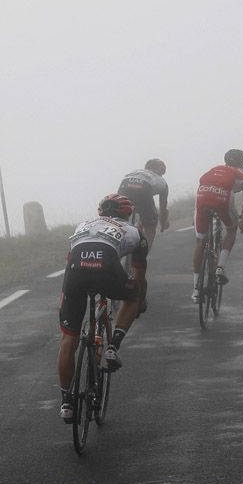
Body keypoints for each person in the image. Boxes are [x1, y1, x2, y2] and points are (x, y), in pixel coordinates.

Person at [57, 194, 148, 422]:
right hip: (106, 268)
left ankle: (66, 401)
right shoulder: (135, 232)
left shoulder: (82, 225)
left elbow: (70, 260)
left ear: (100, 212)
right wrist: (139, 300)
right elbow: (139, 275)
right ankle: (113, 346)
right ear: (128, 213)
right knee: (133, 296)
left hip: (76, 271)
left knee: (68, 339)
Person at [192, 149, 243, 300]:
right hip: (222, 197)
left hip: (202, 195)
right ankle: (220, 267)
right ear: (242, 163)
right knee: (231, 230)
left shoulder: (215, 169)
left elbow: (202, 183)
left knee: (201, 241)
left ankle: (195, 290)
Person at [117, 158, 170, 247]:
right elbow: (162, 208)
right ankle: (143, 253)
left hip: (124, 185)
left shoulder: (136, 171)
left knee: (120, 219)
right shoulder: (162, 182)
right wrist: (163, 223)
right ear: (162, 171)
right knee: (150, 225)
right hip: (144, 189)